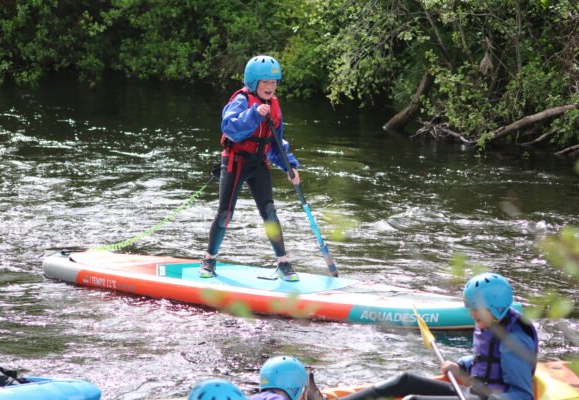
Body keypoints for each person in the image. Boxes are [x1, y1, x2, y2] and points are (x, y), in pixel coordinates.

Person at [340, 272, 539, 400]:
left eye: (475, 310)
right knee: (404, 380)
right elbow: (486, 358)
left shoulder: (515, 341)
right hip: (473, 393)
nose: (471, 314)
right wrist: (461, 366)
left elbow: (523, 395)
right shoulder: (491, 322)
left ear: (495, 309)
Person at [199, 55, 300, 282]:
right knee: (225, 213)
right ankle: (209, 259)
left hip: (258, 164)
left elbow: (276, 144)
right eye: (265, 82)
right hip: (236, 162)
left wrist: (290, 166)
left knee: (270, 212)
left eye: (274, 83)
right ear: (254, 82)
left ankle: (283, 262)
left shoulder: (274, 105)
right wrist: (254, 114)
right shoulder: (242, 100)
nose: (270, 87)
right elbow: (230, 127)